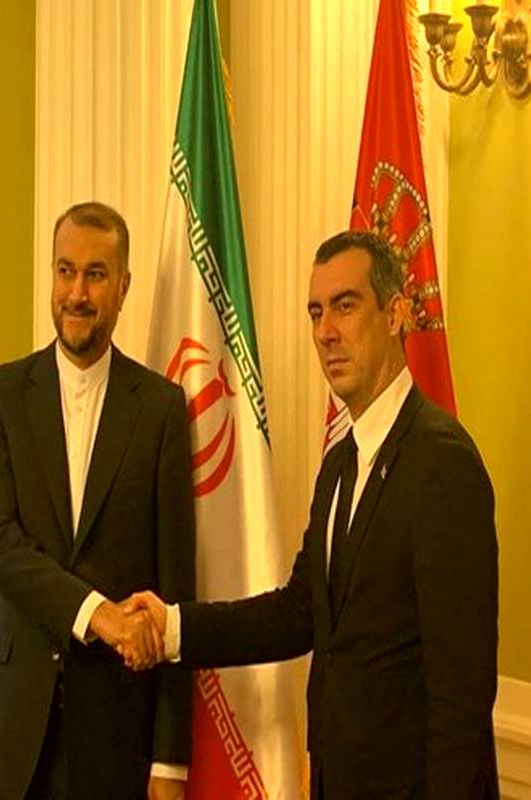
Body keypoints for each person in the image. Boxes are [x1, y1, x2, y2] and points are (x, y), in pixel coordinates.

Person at [129, 230, 499, 799]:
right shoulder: (340, 463)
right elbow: (298, 613)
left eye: (345, 306)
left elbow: (462, 696)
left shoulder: (442, 464)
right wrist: (173, 626)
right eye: (315, 312)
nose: (326, 332)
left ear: (396, 314)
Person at [0, 202, 195, 800]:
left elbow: (176, 587)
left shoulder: (161, 408)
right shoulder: (2, 394)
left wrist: (170, 759)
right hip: (13, 729)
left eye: (95, 275)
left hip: (116, 730)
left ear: (124, 287)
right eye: (66, 271)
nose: (77, 293)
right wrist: (98, 614)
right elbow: (0, 548)